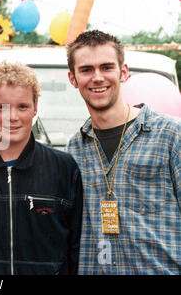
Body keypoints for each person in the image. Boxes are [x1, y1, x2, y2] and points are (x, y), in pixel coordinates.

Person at [66, 30, 180, 274]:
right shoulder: (73, 149)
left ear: (124, 72)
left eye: (106, 67)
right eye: (86, 70)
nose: (97, 77)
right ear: (73, 78)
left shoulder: (171, 135)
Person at [0, 61, 83, 275]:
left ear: (35, 107)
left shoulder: (64, 168)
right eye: (1, 107)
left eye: (22, 106)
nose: (13, 117)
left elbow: (76, 247)